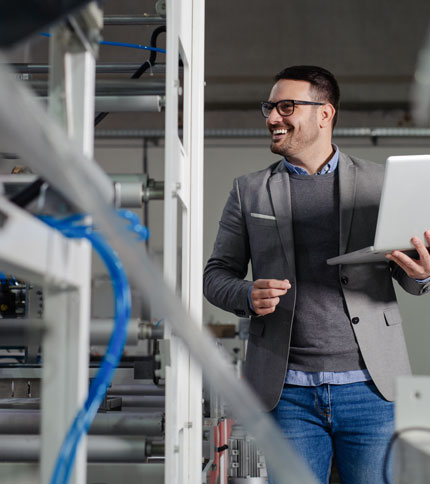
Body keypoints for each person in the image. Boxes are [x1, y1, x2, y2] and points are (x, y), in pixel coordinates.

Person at [203, 65, 430, 484]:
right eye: (269, 108)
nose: (272, 118)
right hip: (284, 393)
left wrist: (424, 273)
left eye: (286, 107)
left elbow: (412, 276)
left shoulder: (381, 184)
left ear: (324, 113)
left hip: (372, 390)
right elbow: (216, 275)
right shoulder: (248, 191)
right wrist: (247, 293)